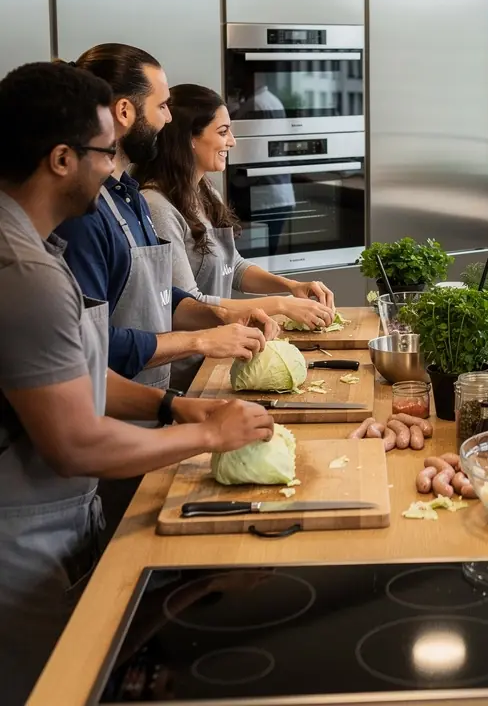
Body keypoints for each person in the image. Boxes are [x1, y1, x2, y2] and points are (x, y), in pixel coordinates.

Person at [0, 62, 274, 706]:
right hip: (22, 543)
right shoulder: (25, 273)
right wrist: (210, 430)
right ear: (62, 159)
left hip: (56, 523)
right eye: (102, 153)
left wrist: (175, 405)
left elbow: (82, 380)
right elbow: (76, 442)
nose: (113, 166)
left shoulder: (35, 251)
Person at [55, 45, 279, 393]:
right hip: (113, 424)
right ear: (125, 112)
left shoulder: (130, 197)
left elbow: (161, 297)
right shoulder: (83, 216)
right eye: (161, 106)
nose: (169, 119)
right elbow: (90, 347)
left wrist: (221, 316)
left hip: (150, 407)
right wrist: (201, 341)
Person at [133, 84, 335, 389]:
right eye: (223, 131)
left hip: (216, 360)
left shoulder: (203, 190)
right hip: (186, 375)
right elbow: (190, 303)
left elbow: (233, 265)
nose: (232, 141)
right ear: (189, 138)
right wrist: (279, 305)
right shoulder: (157, 206)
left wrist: (291, 286)